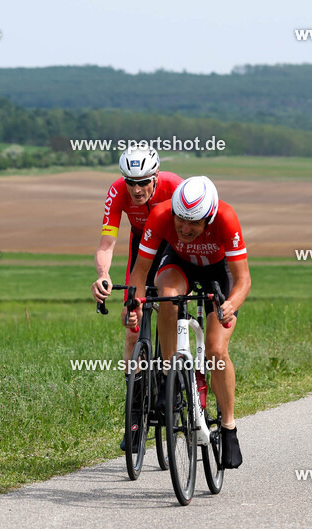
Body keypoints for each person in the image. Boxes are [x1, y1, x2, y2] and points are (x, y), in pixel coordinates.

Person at [123, 176, 250, 468]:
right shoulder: (160, 215)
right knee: (166, 296)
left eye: (193, 223)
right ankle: (170, 378)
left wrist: (230, 305)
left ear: (210, 217)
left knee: (217, 350)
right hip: (178, 264)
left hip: (218, 273)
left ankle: (229, 429)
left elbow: (243, 279)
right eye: (180, 220)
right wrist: (135, 306)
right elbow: (140, 272)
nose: (184, 228)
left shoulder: (227, 218)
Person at [90, 147, 182, 450]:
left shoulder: (174, 186)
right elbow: (107, 242)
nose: (137, 189)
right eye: (131, 182)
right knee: (132, 327)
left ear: (156, 177)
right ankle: (135, 419)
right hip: (142, 246)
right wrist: (104, 274)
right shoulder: (117, 193)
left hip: (174, 245)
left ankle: (176, 378)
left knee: (172, 301)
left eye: (144, 181)